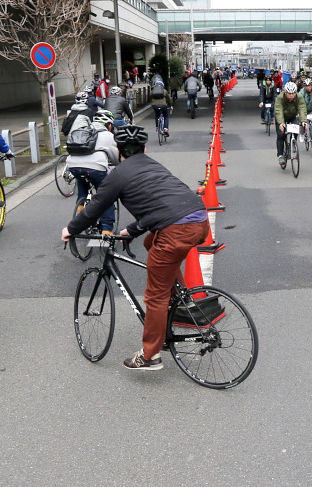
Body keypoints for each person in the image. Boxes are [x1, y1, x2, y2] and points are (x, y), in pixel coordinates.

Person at [61, 125, 209, 370]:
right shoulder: (154, 166)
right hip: (198, 218)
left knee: (155, 295)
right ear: (144, 148)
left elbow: (95, 207)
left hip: (176, 229)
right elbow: (161, 206)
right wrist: (131, 231)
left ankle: (150, 356)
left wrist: (71, 229)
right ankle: (181, 298)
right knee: (153, 243)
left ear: (119, 152)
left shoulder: (117, 175)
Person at [67, 110, 118, 235]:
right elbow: (115, 157)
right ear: (109, 125)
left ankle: (81, 208)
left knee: (82, 181)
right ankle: (106, 229)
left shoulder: (82, 130)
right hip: (96, 168)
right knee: (106, 197)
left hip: (73, 166)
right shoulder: (108, 135)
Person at [274, 81, 308, 168]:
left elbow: (302, 108)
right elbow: (278, 111)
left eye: (293, 93)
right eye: (289, 94)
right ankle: (280, 156)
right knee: (281, 135)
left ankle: (293, 147)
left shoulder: (299, 97)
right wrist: (281, 123)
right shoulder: (280, 98)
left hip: (292, 116)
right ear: (285, 93)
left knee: (295, 130)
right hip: (281, 117)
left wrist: (304, 120)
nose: (291, 95)